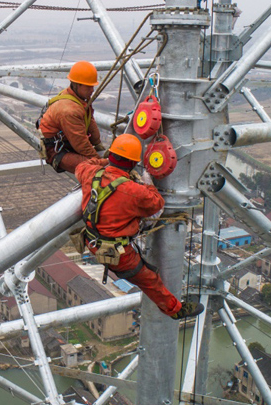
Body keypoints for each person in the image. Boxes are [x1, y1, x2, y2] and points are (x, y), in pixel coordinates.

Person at [75, 134, 204, 320]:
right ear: (132, 164)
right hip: (119, 254)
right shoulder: (134, 191)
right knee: (150, 280)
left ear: (112, 156)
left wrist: (104, 161)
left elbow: (82, 166)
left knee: (146, 275)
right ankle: (175, 310)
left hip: (92, 241)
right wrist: (148, 183)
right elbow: (157, 203)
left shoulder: (91, 174)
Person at [37, 61, 107, 173]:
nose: (92, 90)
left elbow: (90, 121)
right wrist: (99, 160)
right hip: (57, 150)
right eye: (89, 87)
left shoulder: (80, 98)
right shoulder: (69, 110)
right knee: (96, 169)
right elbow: (80, 143)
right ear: (77, 84)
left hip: (68, 143)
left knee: (102, 165)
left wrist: (98, 144)